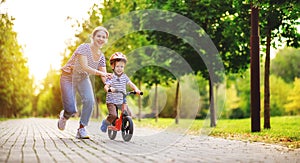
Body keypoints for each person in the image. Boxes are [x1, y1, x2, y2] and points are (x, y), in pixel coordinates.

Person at [58, 26, 111, 139]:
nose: (101, 39)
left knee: (90, 100)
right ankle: (64, 116)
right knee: (71, 109)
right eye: (99, 36)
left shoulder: (101, 56)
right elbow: (85, 67)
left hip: (82, 78)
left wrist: (109, 84)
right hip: (68, 77)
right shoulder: (84, 48)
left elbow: (104, 74)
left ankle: (81, 128)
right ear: (93, 37)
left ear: (106, 40)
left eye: (104, 37)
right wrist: (102, 74)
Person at [100, 52, 141, 132]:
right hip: (111, 101)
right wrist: (109, 89)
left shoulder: (125, 77)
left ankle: (123, 124)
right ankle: (106, 123)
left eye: (122, 66)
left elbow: (131, 84)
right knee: (113, 115)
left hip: (122, 100)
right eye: (117, 66)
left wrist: (136, 89)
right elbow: (106, 86)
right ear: (112, 66)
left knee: (128, 114)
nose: (120, 68)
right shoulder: (111, 77)